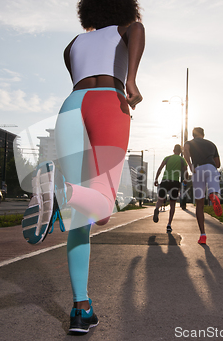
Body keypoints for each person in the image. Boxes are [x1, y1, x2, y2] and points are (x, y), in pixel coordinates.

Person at [22, 0, 144, 334]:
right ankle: (61, 190)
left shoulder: (72, 45)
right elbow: (137, 29)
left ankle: (81, 308)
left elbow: (79, 75)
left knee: (81, 215)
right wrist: (130, 80)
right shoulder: (125, 29)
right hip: (109, 102)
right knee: (102, 207)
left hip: (71, 107)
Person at [183, 127, 223, 245]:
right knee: (214, 191)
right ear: (203, 135)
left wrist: (190, 165)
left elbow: (186, 151)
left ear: (193, 135)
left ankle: (203, 235)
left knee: (199, 203)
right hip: (211, 168)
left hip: (197, 169)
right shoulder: (212, 145)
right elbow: (218, 164)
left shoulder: (189, 143)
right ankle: (213, 196)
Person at [153, 144, 187, 233]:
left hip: (165, 181)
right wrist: (185, 180)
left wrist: (156, 179)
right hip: (175, 182)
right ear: (180, 152)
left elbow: (160, 169)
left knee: (160, 199)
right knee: (172, 204)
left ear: (173, 150)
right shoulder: (182, 160)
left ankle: (157, 209)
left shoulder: (167, 158)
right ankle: (169, 225)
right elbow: (185, 171)